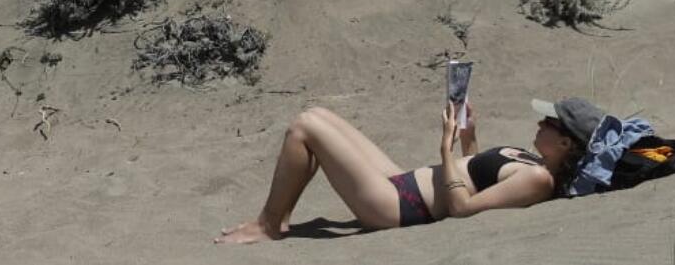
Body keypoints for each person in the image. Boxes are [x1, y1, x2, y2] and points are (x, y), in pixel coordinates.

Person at [214, 97, 596, 244]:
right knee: (318, 114)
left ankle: (268, 223)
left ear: (566, 143)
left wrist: (444, 147)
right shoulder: (532, 162)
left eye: (550, 123)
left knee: (305, 127)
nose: (540, 124)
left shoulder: (539, 179)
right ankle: (281, 216)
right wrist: (469, 137)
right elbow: (475, 179)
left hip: (400, 207)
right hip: (405, 182)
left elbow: (464, 209)